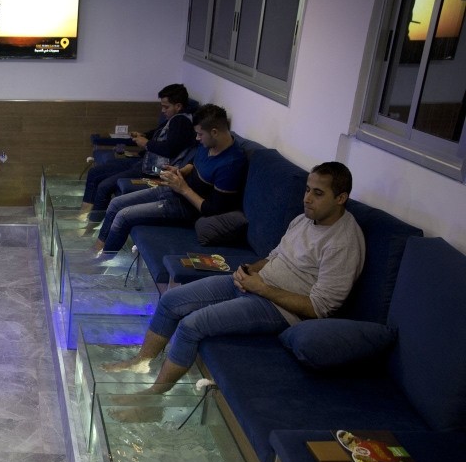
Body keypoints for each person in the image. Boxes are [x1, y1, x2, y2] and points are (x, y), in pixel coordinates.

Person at [103, 162, 366, 395]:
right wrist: (250, 270)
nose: (307, 198)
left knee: (191, 325)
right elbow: (275, 256)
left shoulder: (343, 242)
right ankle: (141, 362)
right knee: (171, 300)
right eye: (307, 190)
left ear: (341, 198)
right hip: (255, 284)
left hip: (278, 308)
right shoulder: (304, 219)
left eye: (318, 193)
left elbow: (320, 308)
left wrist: (262, 289)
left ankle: (154, 397)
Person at [93, 104, 246, 254]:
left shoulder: (230, 164)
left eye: (200, 134)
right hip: (175, 190)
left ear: (214, 132)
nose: (197, 138)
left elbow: (212, 210)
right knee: (115, 203)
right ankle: (97, 250)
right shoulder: (210, 144)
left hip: (186, 208)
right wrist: (181, 171)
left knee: (123, 216)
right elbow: (195, 163)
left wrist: (184, 189)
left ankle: (104, 261)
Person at [80, 83, 196, 222]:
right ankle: (83, 214)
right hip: (144, 163)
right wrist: (143, 135)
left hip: (154, 170)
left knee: (104, 186)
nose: (163, 110)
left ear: (178, 106)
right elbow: (157, 133)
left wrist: (146, 143)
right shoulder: (173, 119)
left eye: (166, 107)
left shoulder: (181, 121)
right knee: (95, 172)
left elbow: (169, 149)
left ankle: (92, 223)